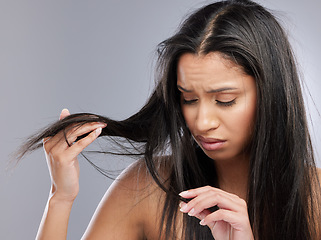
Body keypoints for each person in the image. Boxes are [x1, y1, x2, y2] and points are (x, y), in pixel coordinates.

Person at [17, 0, 321, 239]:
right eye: (188, 99)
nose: (202, 122)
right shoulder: (149, 188)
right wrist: (61, 197)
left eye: (225, 100)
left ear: (271, 95)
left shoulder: (315, 199)